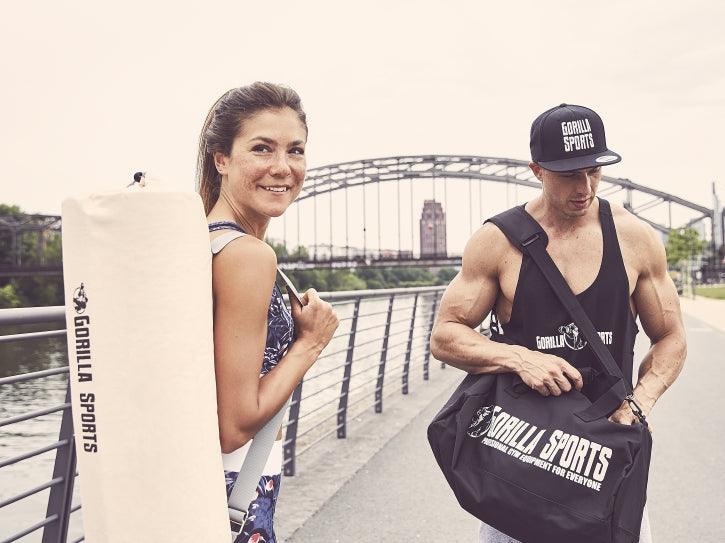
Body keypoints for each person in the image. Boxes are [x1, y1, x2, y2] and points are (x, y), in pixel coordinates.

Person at [430, 103, 687, 542]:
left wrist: (640, 401)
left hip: (602, 462)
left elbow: (670, 337)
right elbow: (445, 335)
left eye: (594, 171)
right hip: (521, 458)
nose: (584, 187)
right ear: (536, 170)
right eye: (569, 174)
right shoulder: (498, 241)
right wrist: (518, 358)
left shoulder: (635, 238)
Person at [196, 82, 339, 543]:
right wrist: (311, 342)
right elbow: (235, 425)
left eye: (295, 150)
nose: (282, 167)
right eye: (262, 148)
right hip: (232, 491)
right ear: (221, 158)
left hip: (195, 485)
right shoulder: (247, 256)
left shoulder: (205, 240)